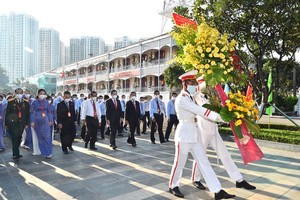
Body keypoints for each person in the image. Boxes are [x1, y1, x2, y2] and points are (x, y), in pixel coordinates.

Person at [168, 70, 235, 199]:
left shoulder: (191, 95)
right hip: (184, 134)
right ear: (185, 83)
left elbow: (203, 85)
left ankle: (217, 190)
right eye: (192, 82)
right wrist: (222, 117)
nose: (195, 85)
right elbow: (200, 110)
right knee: (179, 163)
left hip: (195, 133)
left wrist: (211, 71)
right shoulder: (182, 99)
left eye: (195, 82)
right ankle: (173, 186)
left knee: (204, 162)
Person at [191, 76, 256, 191]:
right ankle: (196, 179)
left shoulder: (212, 97)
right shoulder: (196, 95)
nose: (211, 87)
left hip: (213, 129)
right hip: (203, 129)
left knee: (225, 154)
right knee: (201, 154)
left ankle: (238, 179)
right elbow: (202, 106)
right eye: (209, 84)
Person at [5, 88, 30, 159]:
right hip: (13, 123)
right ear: (15, 93)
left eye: (20, 93)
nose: (19, 94)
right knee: (14, 138)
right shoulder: (11, 102)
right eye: (17, 93)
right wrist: (6, 124)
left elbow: (27, 114)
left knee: (19, 137)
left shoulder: (25, 102)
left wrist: (27, 123)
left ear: (22, 94)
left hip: (22, 123)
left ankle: (17, 151)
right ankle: (15, 153)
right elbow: (7, 113)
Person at [30, 89, 53, 158]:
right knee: (40, 137)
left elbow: (49, 112)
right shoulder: (34, 102)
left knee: (47, 136)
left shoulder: (46, 102)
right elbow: (31, 112)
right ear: (38, 94)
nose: (42, 95)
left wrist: (50, 120)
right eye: (41, 93)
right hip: (37, 121)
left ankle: (49, 152)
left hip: (45, 120)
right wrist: (32, 121)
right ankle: (44, 152)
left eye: (43, 93)